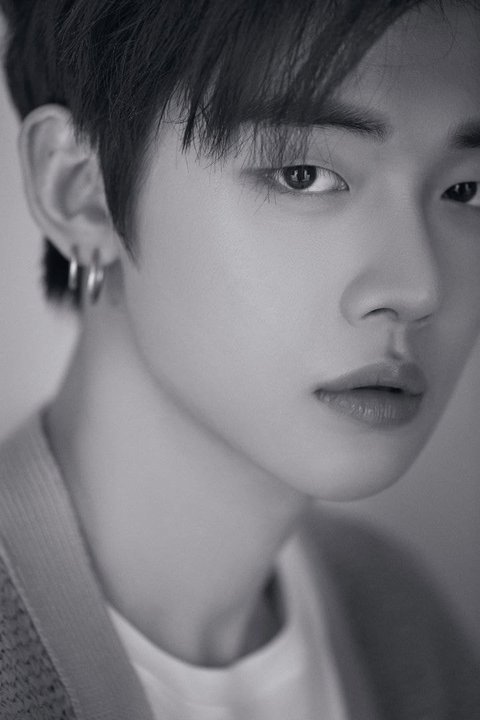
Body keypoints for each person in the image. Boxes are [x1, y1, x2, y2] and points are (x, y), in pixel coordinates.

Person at [1, 0, 480, 717]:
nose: (418, 289)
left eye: (467, 190)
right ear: (81, 192)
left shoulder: (404, 623)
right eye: (304, 174)